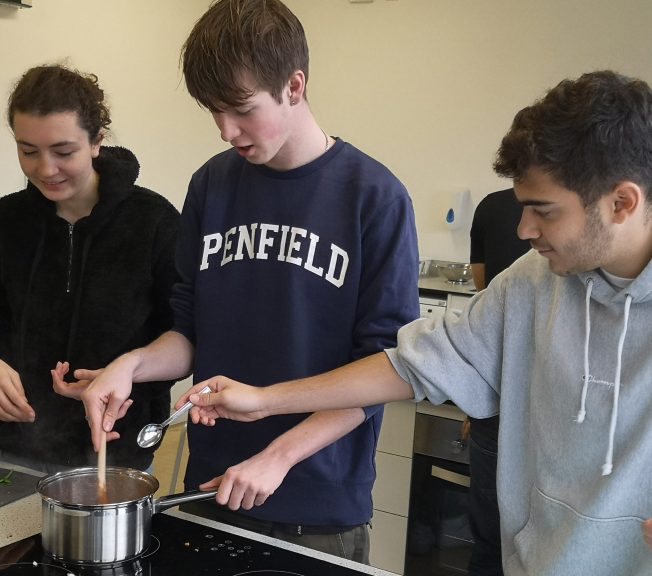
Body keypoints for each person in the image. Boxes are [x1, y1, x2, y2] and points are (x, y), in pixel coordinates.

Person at [171, 70, 652, 575]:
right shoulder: (533, 280)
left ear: (622, 203)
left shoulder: (373, 194)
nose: (524, 229)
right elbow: (407, 366)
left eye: (544, 211)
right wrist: (265, 401)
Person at [74, 0, 419, 562]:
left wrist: (279, 455)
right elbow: (189, 332)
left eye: (241, 109)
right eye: (213, 111)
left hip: (317, 504)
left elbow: (387, 368)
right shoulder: (212, 185)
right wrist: (131, 366)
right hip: (208, 486)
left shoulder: (373, 198)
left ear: (295, 85)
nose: (226, 130)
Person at [0, 64, 179, 473]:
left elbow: (186, 334)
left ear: (97, 141)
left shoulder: (153, 221)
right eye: (28, 151)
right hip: (13, 453)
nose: (45, 169)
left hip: (116, 455)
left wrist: (130, 371)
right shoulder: (6, 220)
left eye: (63, 152)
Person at [466, 188, 529, 576]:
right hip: (499, 409)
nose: (527, 230)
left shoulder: (492, 205)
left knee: (490, 546)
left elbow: (483, 294)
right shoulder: (533, 273)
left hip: (497, 404)